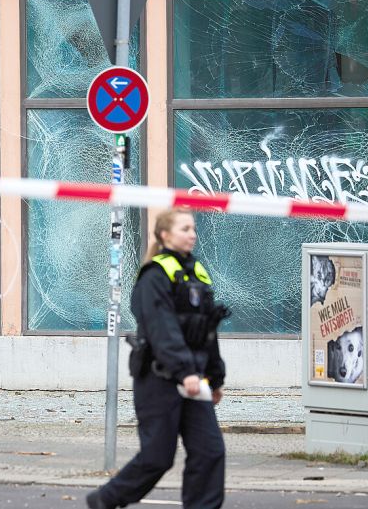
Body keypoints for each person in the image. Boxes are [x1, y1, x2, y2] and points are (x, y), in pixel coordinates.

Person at [87, 208, 228, 509]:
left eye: (193, 228)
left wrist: (215, 379)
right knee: (157, 458)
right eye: (184, 229)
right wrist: (185, 371)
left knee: (210, 452)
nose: (192, 234)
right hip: (159, 380)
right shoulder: (154, 276)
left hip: (192, 380)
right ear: (165, 235)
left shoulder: (198, 274)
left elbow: (207, 332)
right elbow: (162, 329)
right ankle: (105, 500)